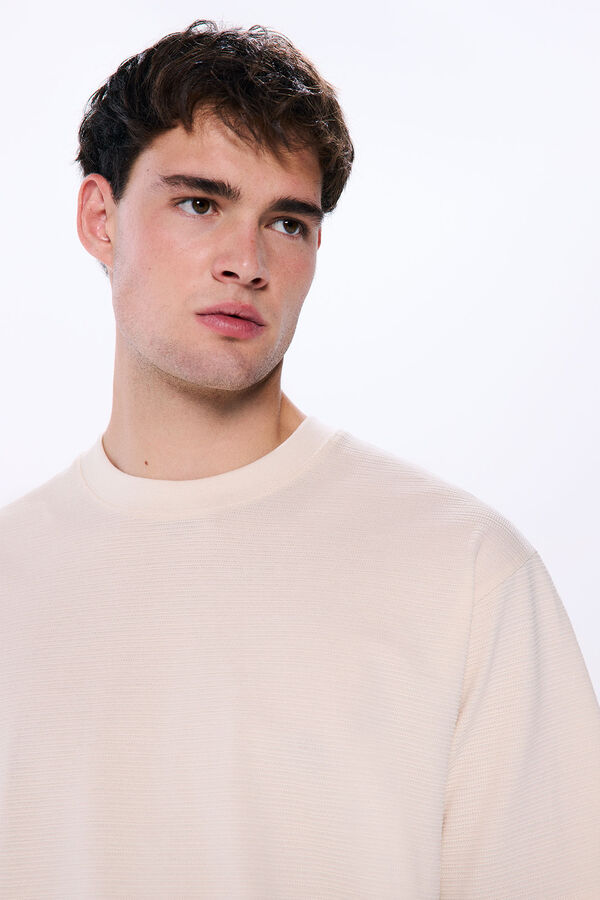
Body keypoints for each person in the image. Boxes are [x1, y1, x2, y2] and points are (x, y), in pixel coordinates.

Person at [0, 19, 598, 898]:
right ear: (100, 218)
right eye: (199, 204)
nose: (246, 262)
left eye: (286, 222)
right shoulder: (12, 578)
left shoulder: (466, 575)